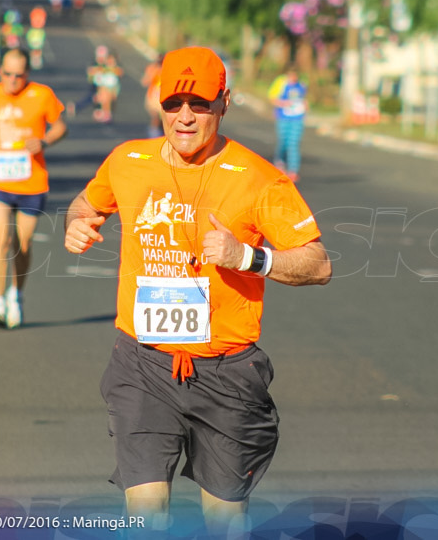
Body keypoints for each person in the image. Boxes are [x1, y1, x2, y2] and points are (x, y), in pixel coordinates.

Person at [63, 46, 331, 535]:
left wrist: (248, 257)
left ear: (224, 103)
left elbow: (317, 263)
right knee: (146, 517)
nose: (184, 117)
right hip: (142, 364)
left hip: (226, 373)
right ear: (157, 103)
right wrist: (78, 223)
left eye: (200, 103)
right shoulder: (128, 161)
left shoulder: (258, 179)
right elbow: (86, 202)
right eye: (173, 103)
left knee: (225, 521)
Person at [0, 48, 67, 329]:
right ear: (0, 71)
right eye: (7, 74)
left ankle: (16, 294)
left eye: (19, 75)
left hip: (31, 181)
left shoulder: (42, 95)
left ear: (27, 74)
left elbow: (61, 126)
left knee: (21, 246)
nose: (12, 80)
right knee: (1, 239)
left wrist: (45, 141)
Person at [267, 65, 308, 182]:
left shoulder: (302, 85)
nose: (294, 78)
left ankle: (293, 170)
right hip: (283, 118)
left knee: (294, 143)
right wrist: (284, 103)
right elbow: (272, 98)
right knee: (283, 142)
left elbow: (304, 99)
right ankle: (279, 162)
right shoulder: (281, 83)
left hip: (297, 119)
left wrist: (305, 106)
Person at [140, 52, 164, 138]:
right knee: (155, 117)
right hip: (154, 96)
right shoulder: (153, 69)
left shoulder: (169, 70)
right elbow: (144, 82)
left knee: (163, 120)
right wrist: (153, 72)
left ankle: (161, 136)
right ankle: (154, 135)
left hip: (164, 96)